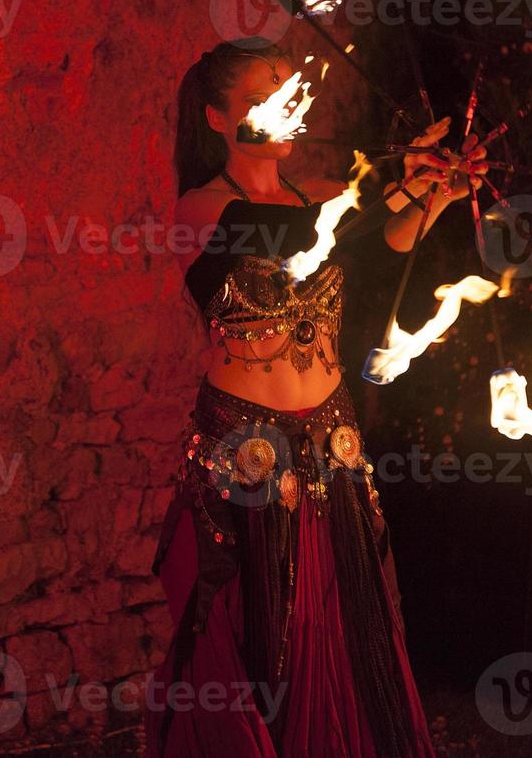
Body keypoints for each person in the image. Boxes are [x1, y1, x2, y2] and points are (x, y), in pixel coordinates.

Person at [144, 41, 486, 757]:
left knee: (347, 627)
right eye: (259, 95)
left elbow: (377, 246)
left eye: (284, 87)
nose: (282, 104)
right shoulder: (200, 207)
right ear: (216, 117)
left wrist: (433, 193)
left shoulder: (323, 195)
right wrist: (394, 182)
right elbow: (292, 236)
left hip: (333, 447)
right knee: (266, 631)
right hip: (249, 457)